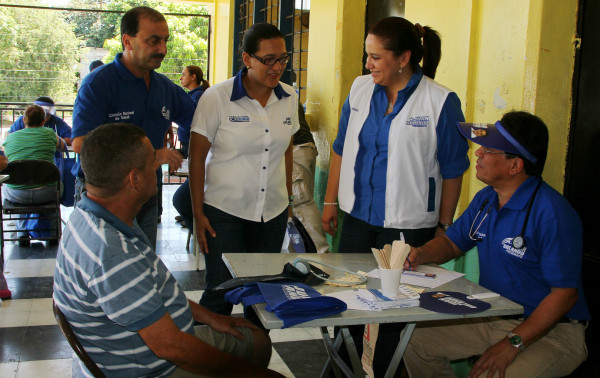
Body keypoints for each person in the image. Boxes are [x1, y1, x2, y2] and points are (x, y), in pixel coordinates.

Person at [53, 123, 283, 377]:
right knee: (261, 362)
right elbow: (173, 348)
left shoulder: (91, 215)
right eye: (153, 161)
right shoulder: (113, 254)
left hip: (145, 346)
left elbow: (152, 293)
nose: (159, 167)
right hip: (150, 369)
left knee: (257, 340)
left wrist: (212, 317)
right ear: (135, 179)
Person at [320, 16, 470, 376]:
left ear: (403, 58)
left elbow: (453, 169)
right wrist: (329, 201)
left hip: (407, 227)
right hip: (357, 220)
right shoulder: (358, 89)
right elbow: (341, 147)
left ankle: (385, 372)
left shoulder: (439, 100)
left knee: (391, 315)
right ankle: (347, 369)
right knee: (348, 305)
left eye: (376, 57)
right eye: (366, 56)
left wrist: (444, 226)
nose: (367, 64)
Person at [403, 111, 590, 378]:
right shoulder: (486, 199)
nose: (478, 154)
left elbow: (565, 295)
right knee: (415, 342)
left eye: (489, 150)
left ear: (516, 166)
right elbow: (452, 244)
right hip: (493, 315)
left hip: (552, 331)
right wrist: (419, 254)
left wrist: (511, 344)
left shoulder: (552, 213)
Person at [189, 23, 298, 315]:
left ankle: (251, 356)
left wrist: (287, 198)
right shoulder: (217, 98)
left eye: (284, 59)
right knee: (220, 292)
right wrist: (198, 213)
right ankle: (208, 358)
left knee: (263, 296)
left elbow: (286, 148)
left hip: (271, 213)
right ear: (247, 59)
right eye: (269, 60)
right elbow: (196, 157)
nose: (278, 67)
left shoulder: (289, 97)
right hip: (225, 213)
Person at [70, 6, 195, 251]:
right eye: (154, 41)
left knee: (143, 262)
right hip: (102, 197)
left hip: (145, 196)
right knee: (102, 266)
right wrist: (149, 155)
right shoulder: (99, 84)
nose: (163, 49)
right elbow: (81, 143)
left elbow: (201, 120)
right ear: (128, 41)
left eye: (165, 41)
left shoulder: (165, 88)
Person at [2, 105, 62, 247]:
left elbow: (7, 156)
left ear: (24, 120)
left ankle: (22, 232)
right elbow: (61, 144)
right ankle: (52, 232)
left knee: (16, 181)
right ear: (43, 121)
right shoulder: (50, 134)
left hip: (18, 194)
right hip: (47, 193)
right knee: (57, 183)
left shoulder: (10, 138)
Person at [289, 101, 329, 253]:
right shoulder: (286, 91)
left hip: (295, 149)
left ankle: (320, 255)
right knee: (300, 204)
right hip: (303, 148)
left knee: (301, 204)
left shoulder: (274, 90)